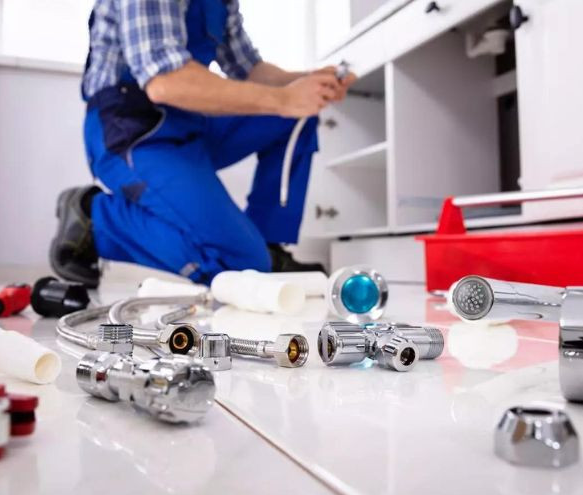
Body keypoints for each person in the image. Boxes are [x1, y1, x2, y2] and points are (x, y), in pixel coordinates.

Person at [50, 0, 357, 288]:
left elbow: (250, 70)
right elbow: (166, 82)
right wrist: (286, 98)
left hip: (188, 121)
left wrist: (310, 83)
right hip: (132, 130)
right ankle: (96, 219)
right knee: (240, 265)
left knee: (297, 117)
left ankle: (268, 246)